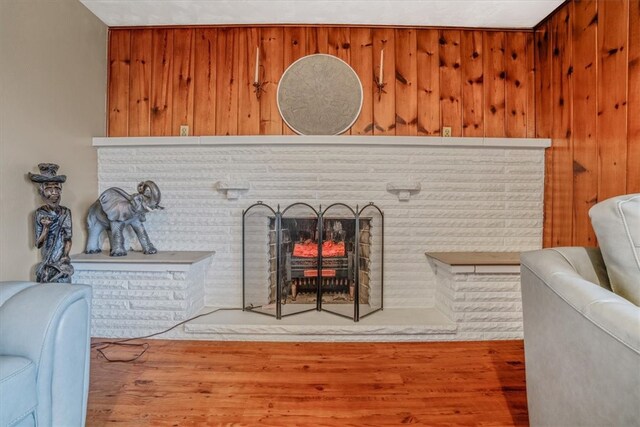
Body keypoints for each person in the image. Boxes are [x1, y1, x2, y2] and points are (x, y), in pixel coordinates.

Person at [28, 163, 73, 283]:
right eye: (49, 189)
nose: (54, 193)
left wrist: (65, 256)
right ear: (41, 191)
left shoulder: (65, 212)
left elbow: (68, 237)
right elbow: (38, 244)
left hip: (62, 261)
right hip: (48, 261)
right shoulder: (40, 213)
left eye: (57, 189)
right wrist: (46, 228)